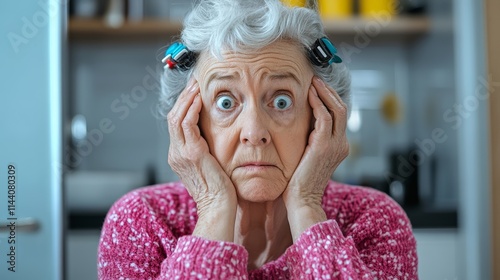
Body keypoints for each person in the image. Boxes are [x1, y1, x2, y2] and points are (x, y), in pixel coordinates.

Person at [97, 0, 418, 279]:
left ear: (321, 117)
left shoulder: (374, 219)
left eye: (281, 101)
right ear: (190, 121)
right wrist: (213, 210)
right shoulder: (141, 221)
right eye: (225, 102)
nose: (254, 132)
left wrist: (307, 206)